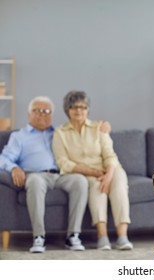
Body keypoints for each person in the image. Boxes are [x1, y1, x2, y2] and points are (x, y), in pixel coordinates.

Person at [0, 96, 88, 253]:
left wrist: (102, 127)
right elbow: (4, 158)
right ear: (29, 114)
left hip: (61, 175)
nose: (42, 114)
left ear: (52, 114)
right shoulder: (19, 136)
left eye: (47, 111)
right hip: (35, 175)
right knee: (34, 181)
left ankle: (73, 236)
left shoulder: (60, 133)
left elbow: (84, 132)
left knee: (80, 181)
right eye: (37, 110)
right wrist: (14, 167)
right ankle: (38, 237)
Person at [52, 90, 133, 251]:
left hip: (110, 168)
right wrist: (94, 173)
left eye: (83, 107)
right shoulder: (60, 133)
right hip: (84, 173)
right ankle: (102, 237)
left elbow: (110, 155)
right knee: (97, 189)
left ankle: (123, 237)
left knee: (119, 188)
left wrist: (109, 175)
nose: (79, 110)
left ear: (88, 109)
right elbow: (63, 162)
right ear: (67, 110)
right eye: (74, 107)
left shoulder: (99, 128)